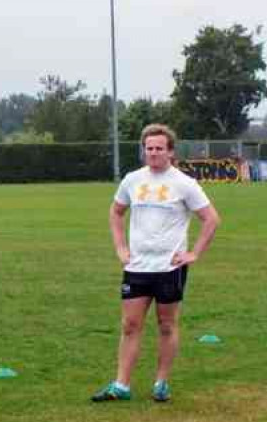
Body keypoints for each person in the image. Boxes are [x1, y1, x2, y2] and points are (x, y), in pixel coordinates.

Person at [92, 123, 220, 404]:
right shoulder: (132, 180)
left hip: (169, 269)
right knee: (130, 325)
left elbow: (211, 219)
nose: (153, 153)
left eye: (159, 148)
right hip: (137, 267)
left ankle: (161, 382)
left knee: (166, 325)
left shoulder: (185, 184)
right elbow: (115, 213)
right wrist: (120, 247)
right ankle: (121, 385)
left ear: (170, 151)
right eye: (148, 148)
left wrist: (194, 253)